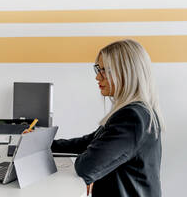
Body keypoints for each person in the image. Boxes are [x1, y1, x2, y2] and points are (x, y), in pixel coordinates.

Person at [51, 39, 164, 197]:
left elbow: (87, 167)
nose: (98, 77)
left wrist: (94, 172)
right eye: (98, 69)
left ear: (126, 72)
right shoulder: (138, 112)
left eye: (104, 70)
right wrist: (45, 145)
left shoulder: (132, 118)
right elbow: (88, 142)